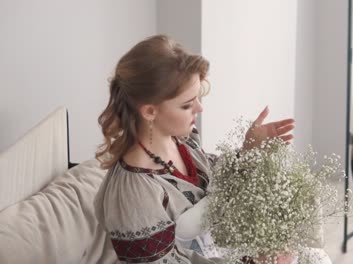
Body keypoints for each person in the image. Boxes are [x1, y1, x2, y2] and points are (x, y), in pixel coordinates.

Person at [93, 35, 295, 264]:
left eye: (197, 97)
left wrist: (249, 150)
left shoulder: (181, 140)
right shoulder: (135, 192)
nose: (199, 108)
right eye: (187, 104)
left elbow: (214, 183)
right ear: (149, 112)